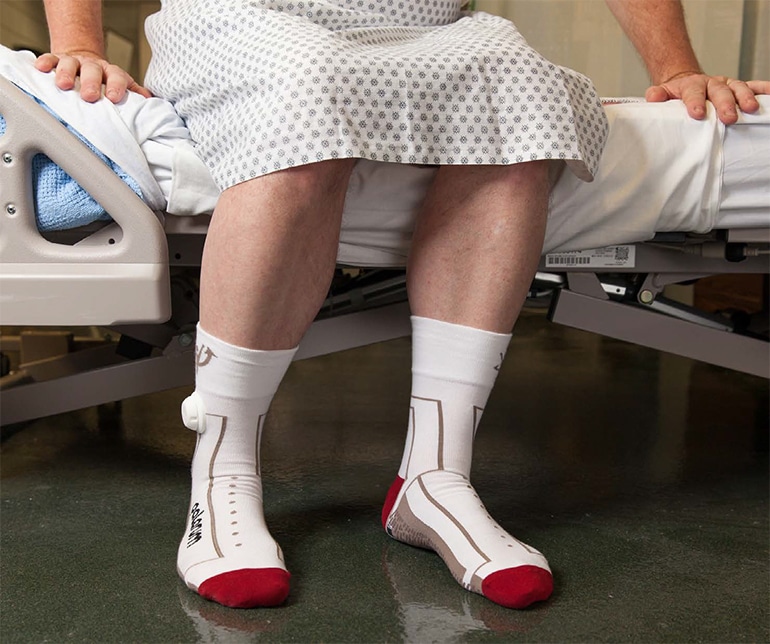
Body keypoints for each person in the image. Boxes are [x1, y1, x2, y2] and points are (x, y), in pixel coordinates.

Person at [36, 0, 768, 611]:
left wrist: (676, 67)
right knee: (309, 82)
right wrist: (79, 45)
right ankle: (222, 474)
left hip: (430, 29)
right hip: (242, 22)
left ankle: (434, 478)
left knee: (517, 89)